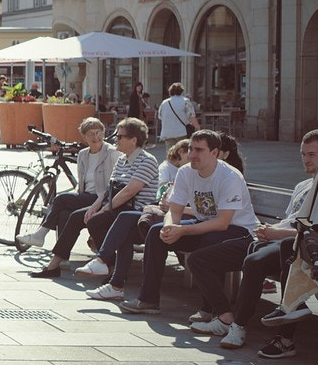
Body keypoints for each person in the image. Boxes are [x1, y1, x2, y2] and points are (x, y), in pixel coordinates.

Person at [186, 130, 318, 351]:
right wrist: (269, 230)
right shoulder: (302, 186)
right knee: (199, 259)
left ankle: (241, 327)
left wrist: (276, 233)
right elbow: (289, 221)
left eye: (312, 154)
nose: (306, 160)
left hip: (294, 245)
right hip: (267, 239)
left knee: (255, 261)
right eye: (303, 154)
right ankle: (223, 317)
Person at [98, 130, 257, 316]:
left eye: (199, 150)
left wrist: (182, 229)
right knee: (157, 233)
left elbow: (222, 223)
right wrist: (169, 227)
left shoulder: (229, 176)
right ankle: (148, 300)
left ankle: (210, 309)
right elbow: (174, 210)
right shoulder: (185, 172)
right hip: (204, 224)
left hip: (237, 230)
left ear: (214, 153)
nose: (192, 155)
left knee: (211, 240)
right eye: (190, 149)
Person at [67, 118, 161, 284]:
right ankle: (109, 267)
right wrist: (95, 206)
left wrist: (105, 209)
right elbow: (110, 189)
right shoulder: (122, 159)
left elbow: (129, 191)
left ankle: (107, 266)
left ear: (133, 140)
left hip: (138, 211)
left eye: (120, 136)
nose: (115, 138)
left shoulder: (147, 160)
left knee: (105, 221)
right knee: (89, 218)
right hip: (120, 208)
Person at [18, 117, 116, 262]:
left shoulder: (112, 153)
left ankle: (41, 234)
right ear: (84, 137)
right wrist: (76, 195)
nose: (96, 137)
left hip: (102, 198)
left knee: (60, 199)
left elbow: (113, 184)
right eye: (91, 134)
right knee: (64, 214)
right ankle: (62, 258)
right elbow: (81, 183)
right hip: (86, 196)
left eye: (98, 132)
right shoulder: (83, 154)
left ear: (103, 132)